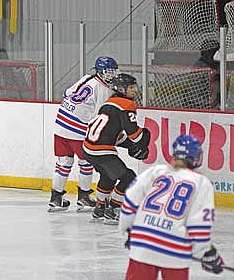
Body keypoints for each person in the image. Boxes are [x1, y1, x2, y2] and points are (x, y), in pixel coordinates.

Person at [119, 134, 224, 280]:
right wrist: (206, 252)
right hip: (175, 249)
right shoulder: (201, 182)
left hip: (143, 243)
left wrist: (129, 230)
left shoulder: (155, 171)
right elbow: (199, 224)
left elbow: (130, 200)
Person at [49, 56, 119, 212]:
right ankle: (83, 198)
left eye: (113, 72)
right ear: (100, 72)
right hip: (77, 130)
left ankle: (55, 198)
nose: (112, 75)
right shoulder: (104, 89)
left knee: (63, 163)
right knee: (85, 163)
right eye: (108, 72)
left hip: (60, 124)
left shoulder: (86, 78)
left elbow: (67, 93)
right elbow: (99, 116)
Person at [82, 73, 150, 224]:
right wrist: (144, 140)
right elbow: (135, 135)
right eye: (131, 87)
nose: (134, 90)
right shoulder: (127, 105)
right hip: (101, 151)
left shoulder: (108, 103)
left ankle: (100, 208)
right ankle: (112, 208)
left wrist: (130, 146)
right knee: (130, 178)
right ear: (121, 89)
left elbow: (112, 134)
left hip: (88, 149)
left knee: (108, 176)